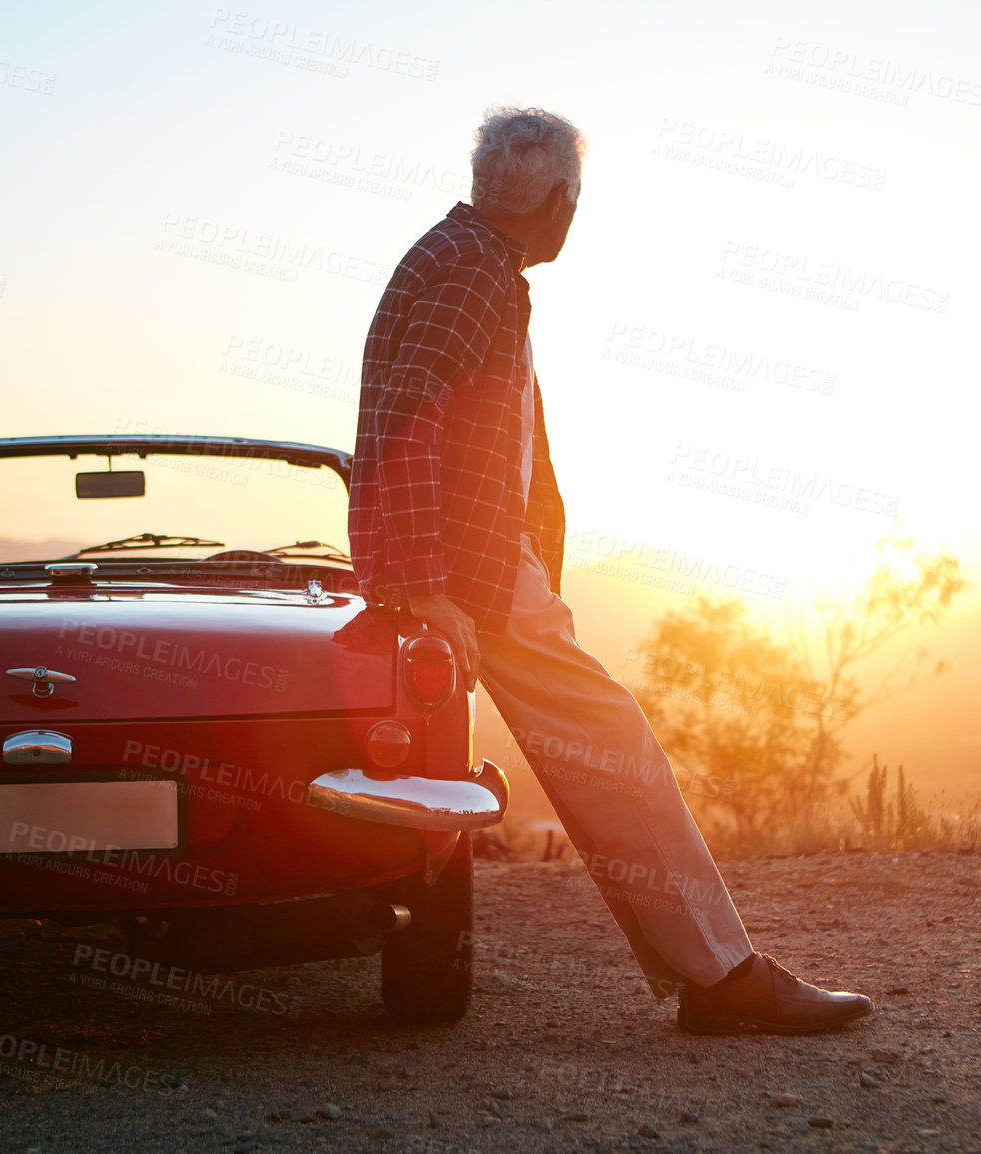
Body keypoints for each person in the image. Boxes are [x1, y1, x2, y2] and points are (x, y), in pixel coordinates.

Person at [348, 106, 871, 1035]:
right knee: (616, 748)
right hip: (469, 574)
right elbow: (403, 419)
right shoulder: (467, 275)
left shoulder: (467, 264)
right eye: (575, 199)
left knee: (600, 754)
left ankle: (709, 971)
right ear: (556, 200)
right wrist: (429, 584)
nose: (575, 214)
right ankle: (723, 979)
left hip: (474, 568)